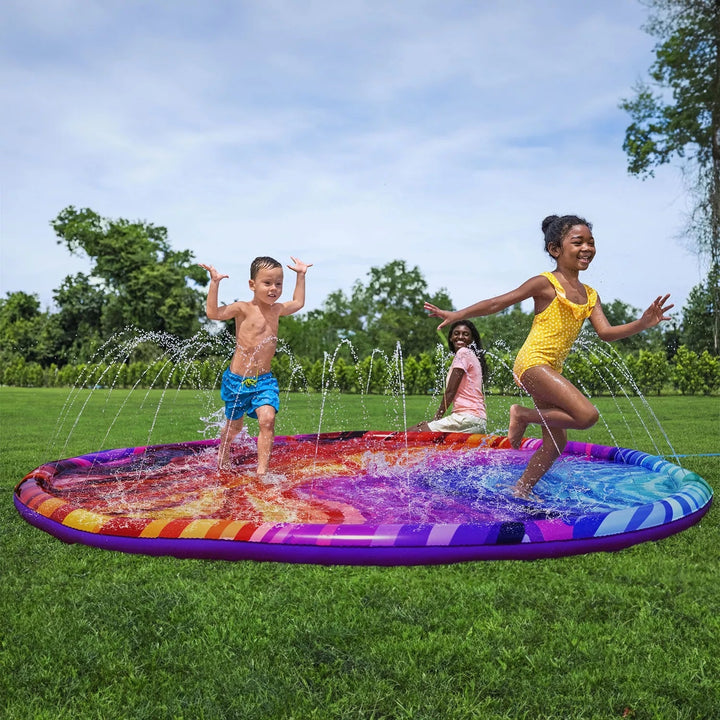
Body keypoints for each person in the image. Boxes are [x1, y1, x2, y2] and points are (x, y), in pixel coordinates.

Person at [424, 214, 672, 500]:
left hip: (549, 368)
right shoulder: (546, 283)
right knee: (586, 415)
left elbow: (606, 332)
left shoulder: (590, 295)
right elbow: (498, 302)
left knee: (555, 441)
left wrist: (642, 323)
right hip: (532, 362)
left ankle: (521, 489)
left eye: (591, 242)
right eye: (578, 242)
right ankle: (523, 414)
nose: (587, 248)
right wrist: (458, 315)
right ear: (556, 249)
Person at [199, 256, 312, 475]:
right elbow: (213, 313)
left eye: (278, 284)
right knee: (235, 427)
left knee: (268, 420)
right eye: (267, 283)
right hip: (237, 381)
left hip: (264, 381)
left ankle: (262, 473)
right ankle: (223, 453)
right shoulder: (243, 308)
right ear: (252, 285)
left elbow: (298, 302)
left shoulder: (277, 310)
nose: (274, 289)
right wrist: (215, 283)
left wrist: (301, 274)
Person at [407, 320, 488, 434]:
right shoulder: (470, 355)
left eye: (465, 334)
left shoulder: (463, 353)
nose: (460, 337)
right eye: (456, 333)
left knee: (411, 434)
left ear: (472, 339)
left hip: (466, 418)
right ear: (450, 337)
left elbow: (450, 391)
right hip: (476, 420)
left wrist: (436, 419)